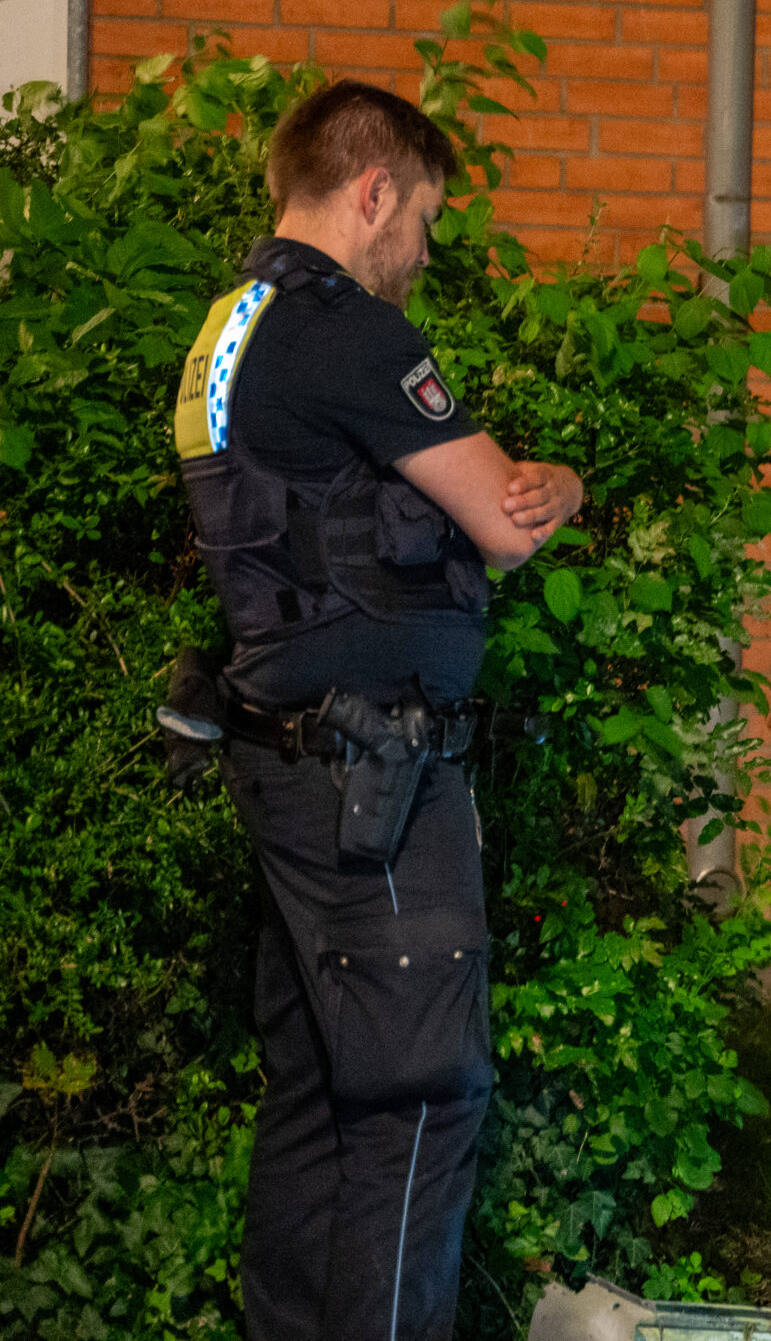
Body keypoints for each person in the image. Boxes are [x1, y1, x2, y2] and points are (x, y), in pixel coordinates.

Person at [172, 80, 585, 1341]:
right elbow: (501, 525)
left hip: (290, 762)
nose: (425, 248)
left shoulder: (227, 328)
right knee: (417, 1097)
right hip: (373, 783)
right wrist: (559, 480)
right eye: (424, 217)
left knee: (317, 1095)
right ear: (374, 192)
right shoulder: (352, 331)